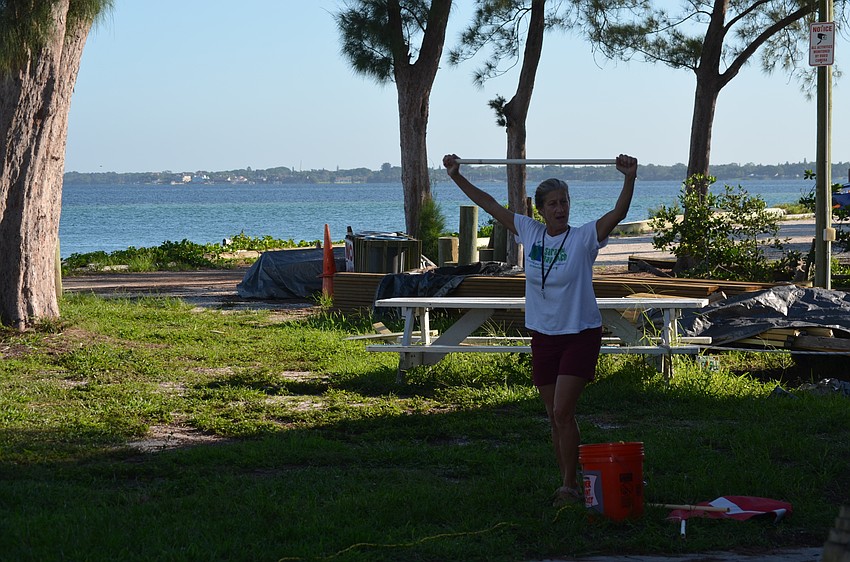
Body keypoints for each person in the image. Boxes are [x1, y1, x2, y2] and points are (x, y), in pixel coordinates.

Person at [442, 153, 638, 506]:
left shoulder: (582, 238)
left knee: (563, 411)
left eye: (564, 202)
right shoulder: (530, 232)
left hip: (580, 334)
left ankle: (568, 486)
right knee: (554, 416)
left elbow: (618, 214)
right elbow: (489, 204)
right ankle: (568, 481)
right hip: (543, 336)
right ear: (541, 210)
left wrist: (629, 178)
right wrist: (457, 176)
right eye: (553, 204)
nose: (561, 208)